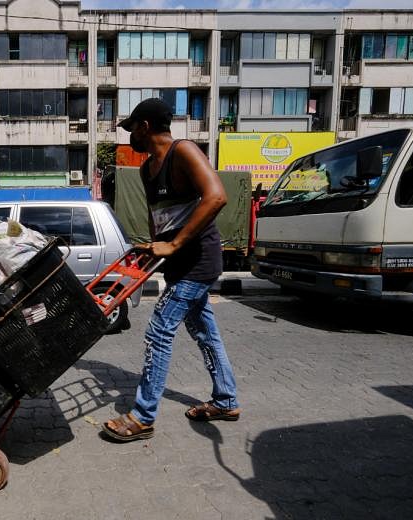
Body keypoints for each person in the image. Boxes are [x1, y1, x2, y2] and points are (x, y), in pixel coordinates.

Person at [102, 98, 241, 442]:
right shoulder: (148, 170)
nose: (129, 136)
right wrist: (154, 250)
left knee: (159, 329)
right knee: (205, 332)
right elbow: (157, 217)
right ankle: (226, 399)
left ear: (145, 127)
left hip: (199, 261)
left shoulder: (184, 151)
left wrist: (176, 244)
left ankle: (143, 415)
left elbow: (216, 197)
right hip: (177, 265)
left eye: (131, 128)